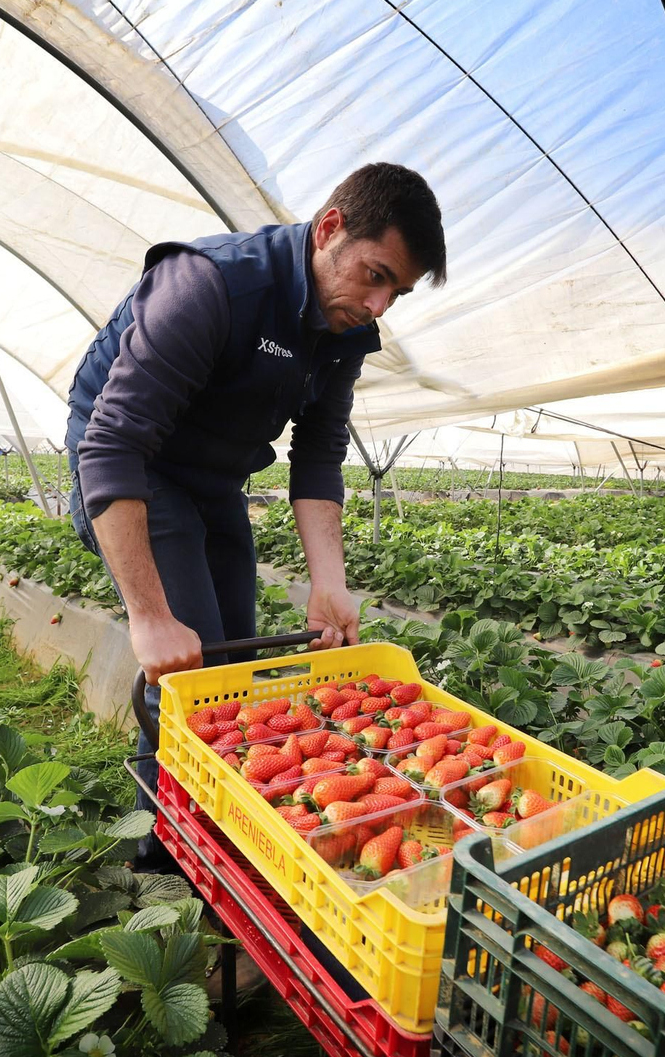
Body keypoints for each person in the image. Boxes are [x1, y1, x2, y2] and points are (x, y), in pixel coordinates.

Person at [63, 163, 447, 867]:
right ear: (330, 228)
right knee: (194, 675)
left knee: (238, 660)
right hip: (130, 465)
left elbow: (320, 455)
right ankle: (166, 861)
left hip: (213, 479)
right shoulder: (211, 284)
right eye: (375, 274)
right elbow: (112, 441)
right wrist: (149, 617)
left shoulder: (345, 330)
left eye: (397, 290)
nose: (381, 304)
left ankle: (231, 838)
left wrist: (326, 584)